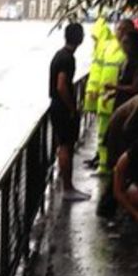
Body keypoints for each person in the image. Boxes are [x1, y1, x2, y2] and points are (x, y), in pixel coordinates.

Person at [49, 22, 90, 201]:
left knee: (63, 145)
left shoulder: (60, 55)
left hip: (57, 106)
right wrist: (72, 108)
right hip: (62, 108)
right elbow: (61, 85)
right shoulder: (67, 59)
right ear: (79, 38)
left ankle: (66, 185)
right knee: (66, 146)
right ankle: (67, 188)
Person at [93, 18, 135, 175]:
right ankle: (103, 165)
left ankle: (116, 167)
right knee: (103, 134)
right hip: (106, 99)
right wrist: (93, 91)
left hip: (122, 101)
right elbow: (97, 69)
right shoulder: (108, 47)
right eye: (118, 29)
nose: (120, 32)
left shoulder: (133, 51)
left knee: (120, 135)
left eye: (124, 29)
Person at [105, 29, 138, 110]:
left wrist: (114, 87)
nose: (123, 45)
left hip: (132, 105)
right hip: (121, 104)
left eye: (126, 42)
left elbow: (134, 88)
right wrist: (112, 95)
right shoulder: (124, 61)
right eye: (122, 42)